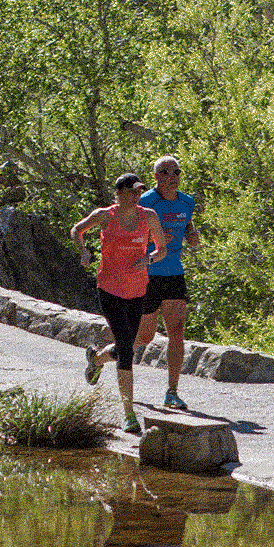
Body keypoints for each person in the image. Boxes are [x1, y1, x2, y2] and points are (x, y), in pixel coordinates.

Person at [70, 172, 168, 434]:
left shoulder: (149, 216)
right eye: (132, 191)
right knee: (126, 348)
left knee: (127, 343)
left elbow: (162, 250)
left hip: (137, 289)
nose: (137, 195)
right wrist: (84, 251)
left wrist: (147, 260)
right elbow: (77, 230)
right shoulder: (104, 216)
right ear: (120, 193)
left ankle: (96, 359)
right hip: (110, 288)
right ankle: (129, 414)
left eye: (139, 191)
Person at [135, 155, 201, 410]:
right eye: (165, 172)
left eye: (176, 171)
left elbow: (187, 225)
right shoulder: (145, 202)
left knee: (177, 331)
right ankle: (100, 357)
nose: (172, 176)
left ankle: (172, 392)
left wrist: (191, 235)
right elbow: (131, 235)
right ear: (156, 177)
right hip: (147, 275)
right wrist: (156, 239)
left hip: (174, 273)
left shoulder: (187, 201)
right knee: (144, 337)